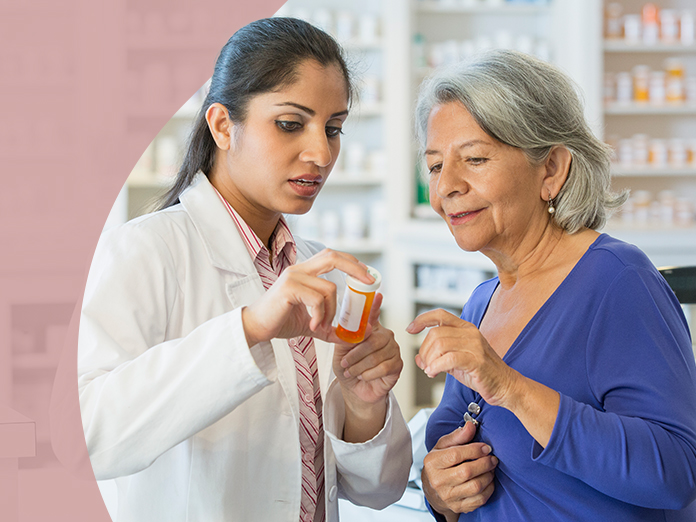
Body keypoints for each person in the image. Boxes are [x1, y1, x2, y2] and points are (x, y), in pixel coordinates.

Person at [78, 17, 411, 522]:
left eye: (334, 128)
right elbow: (87, 436)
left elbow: (376, 492)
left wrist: (365, 407)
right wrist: (250, 328)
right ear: (221, 126)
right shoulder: (147, 251)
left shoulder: (324, 273)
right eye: (290, 124)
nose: (321, 153)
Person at [407, 49, 696, 521]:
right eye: (436, 165)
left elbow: (675, 472)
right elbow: (444, 446)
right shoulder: (482, 303)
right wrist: (439, 489)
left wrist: (511, 388)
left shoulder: (619, 282)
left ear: (552, 170)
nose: (447, 187)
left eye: (475, 158)